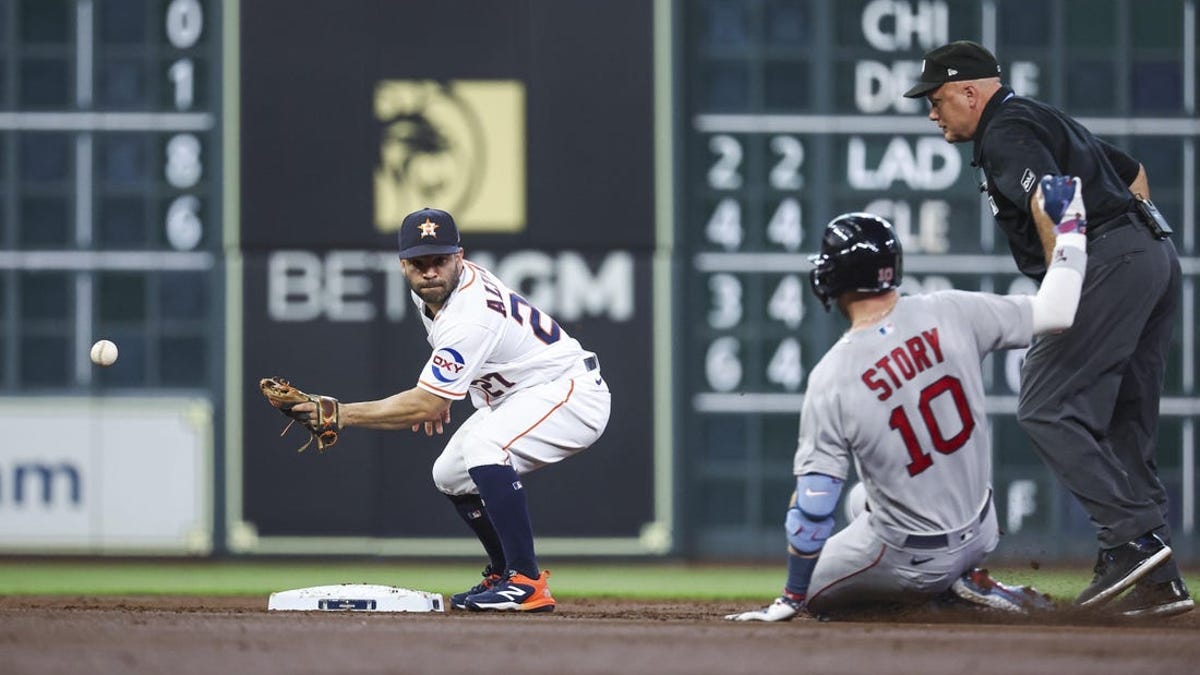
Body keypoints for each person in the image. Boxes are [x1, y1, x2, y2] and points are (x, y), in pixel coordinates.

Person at [903, 40, 1190, 618]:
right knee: (1121, 422)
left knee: (1044, 404)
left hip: (1109, 260)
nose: (932, 113)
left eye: (936, 100)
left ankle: (1133, 542)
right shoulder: (1034, 115)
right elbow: (1135, 175)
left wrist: (1070, 273)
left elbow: (1055, 193)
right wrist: (1132, 246)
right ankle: (1158, 579)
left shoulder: (1005, 133)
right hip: (1151, 255)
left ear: (968, 92)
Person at [727, 178, 1086, 621]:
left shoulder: (833, 375)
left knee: (819, 590)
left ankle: (941, 594)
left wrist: (791, 597)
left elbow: (812, 507)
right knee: (862, 500)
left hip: (913, 561)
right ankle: (968, 578)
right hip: (981, 531)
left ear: (833, 277)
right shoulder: (953, 309)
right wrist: (1070, 224)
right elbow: (1058, 311)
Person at [288, 207, 610, 612]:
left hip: (571, 393)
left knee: (484, 448)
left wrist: (341, 414)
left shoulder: (469, 313)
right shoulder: (434, 292)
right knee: (451, 475)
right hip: (521, 394)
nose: (430, 271)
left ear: (460, 256)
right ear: (402, 265)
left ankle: (526, 580)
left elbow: (428, 399)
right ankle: (503, 571)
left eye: (440, 260)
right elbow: (444, 374)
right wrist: (447, 390)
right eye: (418, 263)